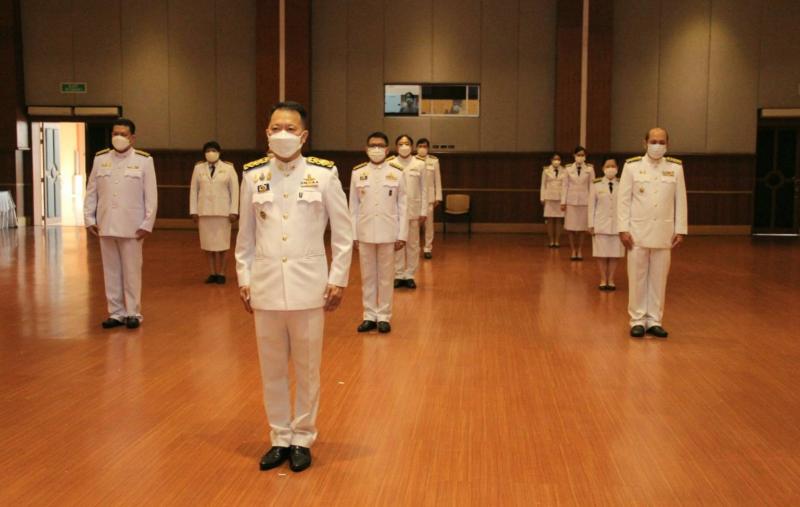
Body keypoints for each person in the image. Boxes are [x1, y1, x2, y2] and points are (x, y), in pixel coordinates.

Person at [235, 101, 353, 473]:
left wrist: (338, 278)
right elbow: (245, 236)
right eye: (275, 128)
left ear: (303, 136)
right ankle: (279, 437)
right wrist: (244, 278)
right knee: (271, 369)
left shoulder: (324, 174)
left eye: (289, 128)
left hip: (309, 288)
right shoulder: (253, 175)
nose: (281, 134)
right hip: (266, 286)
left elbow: (344, 233)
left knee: (307, 369)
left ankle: (302, 437)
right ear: (266, 133)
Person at [84, 118, 157, 330]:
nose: (118, 137)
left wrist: (147, 223)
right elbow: (91, 191)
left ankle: (133, 312)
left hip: (133, 226)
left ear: (132, 138)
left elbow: (151, 195)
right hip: (106, 224)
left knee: (132, 271)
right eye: (115, 133)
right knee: (111, 271)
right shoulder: (100, 159)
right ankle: (116, 313)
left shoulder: (144, 160)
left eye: (123, 134)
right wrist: (89, 218)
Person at [617, 127, 687, 338]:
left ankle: (655, 320)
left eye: (661, 142)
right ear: (645, 143)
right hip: (637, 233)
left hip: (664, 233)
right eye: (653, 141)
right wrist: (623, 229)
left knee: (659, 279)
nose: (657, 145)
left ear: (668, 144)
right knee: (637, 278)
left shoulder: (675, 168)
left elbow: (680, 200)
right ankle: (637, 320)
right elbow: (623, 200)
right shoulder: (632, 166)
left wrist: (680, 229)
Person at [350, 132, 407, 334]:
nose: (376, 149)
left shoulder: (397, 172)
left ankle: (383, 316)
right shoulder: (358, 172)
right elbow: (353, 206)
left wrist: (402, 234)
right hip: (365, 232)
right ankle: (369, 316)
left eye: (380, 145)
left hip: (388, 232)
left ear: (387, 149)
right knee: (367, 277)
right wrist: (353, 235)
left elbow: (403, 205)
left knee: (385, 276)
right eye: (372, 145)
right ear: (366, 149)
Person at [189, 141, 239, 284]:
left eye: (213, 150)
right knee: (208, 245)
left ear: (219, 152)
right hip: (204, 212)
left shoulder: (228, 168)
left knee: (223, 245)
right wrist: (193, 211)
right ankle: (212, 272)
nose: (210, 153)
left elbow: (235, 191)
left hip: (223, 213)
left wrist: (234, 211)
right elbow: (193, 190)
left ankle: (221, 273)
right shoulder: (198, 168)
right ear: (204, 153)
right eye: (208, 150)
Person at [392, 135, 427, 288]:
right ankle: (398, 274)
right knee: (397, 243)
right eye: (401, 144)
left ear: (412, 147)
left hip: (414, 210)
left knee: (413, 244)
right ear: (396, 147)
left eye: (407, 144)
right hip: (395, 211)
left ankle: (410, 275)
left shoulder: (420, 164)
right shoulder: (391, 164)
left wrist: (424, 211)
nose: (404, 146)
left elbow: (424, 189)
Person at [588, 158, 625, 290]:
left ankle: (611, 279)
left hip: (617, 225)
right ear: (603, 168)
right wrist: (590, 224)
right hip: (600, 224)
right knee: (601, 254)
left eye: (613, 166)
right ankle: (603, 279)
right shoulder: (596, 184)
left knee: (615, 254)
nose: (611, 168)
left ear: (617, 168)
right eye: (608, 166)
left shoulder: (623, 183)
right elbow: (591, 205)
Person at [561, 146, 594, 260]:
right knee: (570, 228)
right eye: (578, 155)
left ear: (585, 156)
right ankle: (572, 250)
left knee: (581, 228)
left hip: (584, 201)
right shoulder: (568, 168)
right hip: (571, 201)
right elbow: (565, 185)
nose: (580, 157)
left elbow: (592, 186)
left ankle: (579, 250)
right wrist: (563, 202)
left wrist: (592, 202)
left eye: (582, 155)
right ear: (574, 156)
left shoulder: (590, 169)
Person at [416, 138, 442, 259]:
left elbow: (437, 179)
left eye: (425, 146)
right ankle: (415, 248)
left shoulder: (434, 161)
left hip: (429, 198)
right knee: (414, 226)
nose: (422, 148)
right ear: (416, 148)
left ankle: (427, 248)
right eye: (420, 146)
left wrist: (438, 197)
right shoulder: (412, 161)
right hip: (415, 198)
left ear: (428, 148)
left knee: (429, 226)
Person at [540, 153, 566, 248]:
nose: (556, 161)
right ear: (551, 160)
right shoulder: (546, 170)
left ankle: (557, 241)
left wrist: (565, 199)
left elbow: (565, 186)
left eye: (558, 159)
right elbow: (543, 185)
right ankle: (551, 241)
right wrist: (542, 197)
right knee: (550, 220)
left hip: (560, 198)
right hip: (549, 198)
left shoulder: (564, 170)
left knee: (559, 220)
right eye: (555, 159)